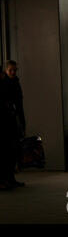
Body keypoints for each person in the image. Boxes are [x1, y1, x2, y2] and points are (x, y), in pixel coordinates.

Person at [0, 60, 26, 189]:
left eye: (14, 70)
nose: (13, 72)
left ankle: (10, 179)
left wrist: (22, 122)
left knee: (12, 152)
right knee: (7, 152)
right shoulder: (6, 84)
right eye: (11, 70)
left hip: (12, 121)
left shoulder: (14, 82)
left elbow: (19, 104)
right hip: (6, 122)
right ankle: (6, 179)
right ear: (6, 70)